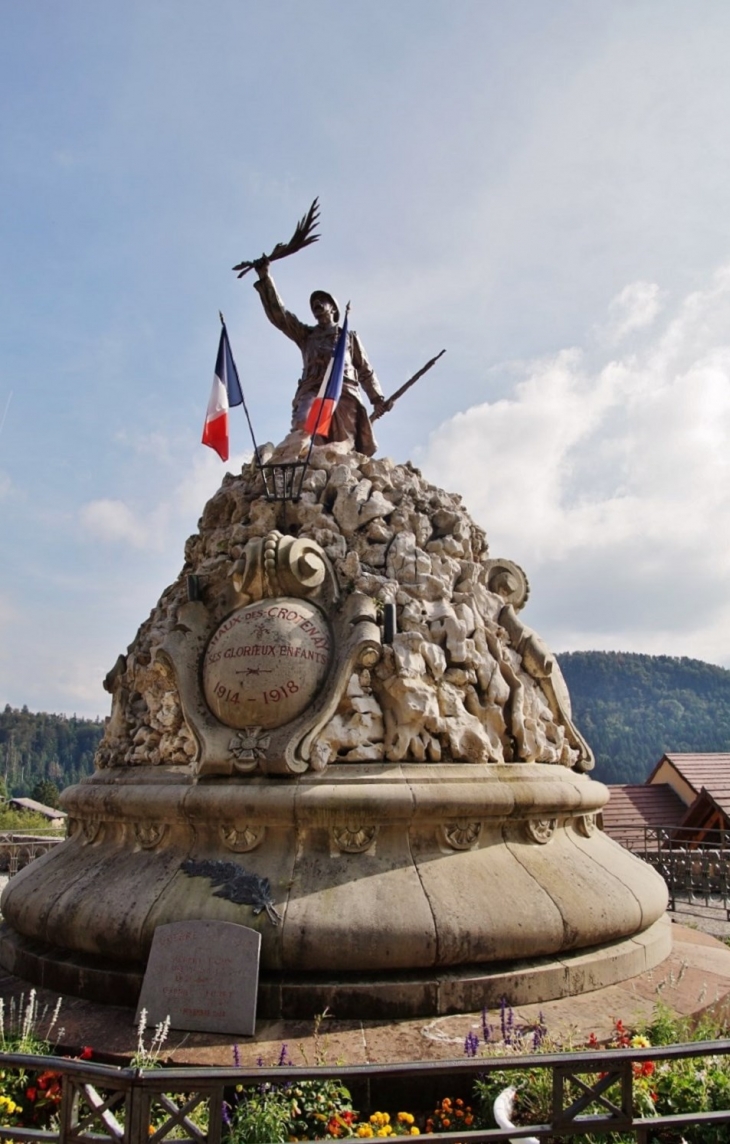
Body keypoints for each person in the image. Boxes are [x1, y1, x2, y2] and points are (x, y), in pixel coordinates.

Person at [254, 259, 386, 456]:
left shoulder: (348, 337)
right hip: (312, 389)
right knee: (303, 424)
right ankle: (303, 462)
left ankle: (335, 468)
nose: (316, 303)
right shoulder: (306, 335)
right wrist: (265, 278)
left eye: (322, 300)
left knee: (344, 440)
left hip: (343, 390)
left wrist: (377, 398)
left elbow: (364, 369)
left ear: (334, 309)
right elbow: (280, 317)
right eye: (313, 302)